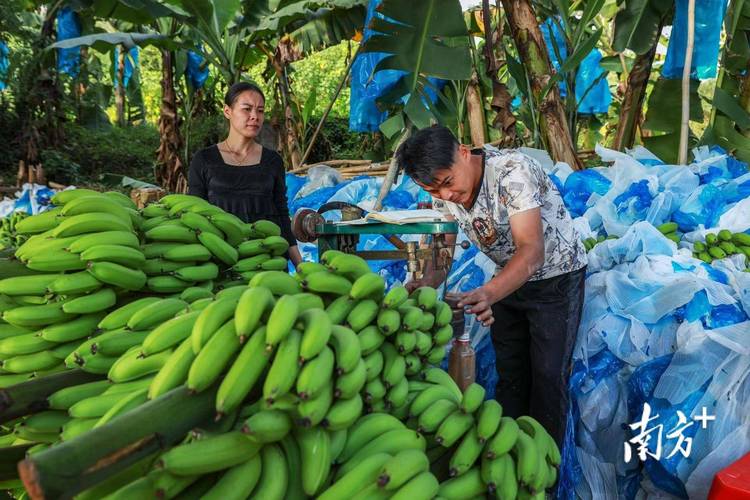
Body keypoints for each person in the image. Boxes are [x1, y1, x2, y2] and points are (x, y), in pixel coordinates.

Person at [396, 125, 587, 446]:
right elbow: (443, 248)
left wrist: (488, 293)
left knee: (547, 376)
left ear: (464, 153)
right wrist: (425, 281)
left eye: (447, 183)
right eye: (433, 191)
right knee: (510, 373)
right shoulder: (442, 192)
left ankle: (545, 467)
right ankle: (508, 453)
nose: (446, 196)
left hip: (556, 277)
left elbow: (532, 252)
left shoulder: (513, 173)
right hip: (506, 280)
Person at [188, 81, 301, 267]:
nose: (255, 116)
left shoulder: (272, 161)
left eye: (260, 111)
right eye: (247, 109)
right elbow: (195, 214)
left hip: (268, 261)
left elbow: (281, 213)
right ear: (227, 111)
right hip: (221, 259)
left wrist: (300, 266)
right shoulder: (204, 160)